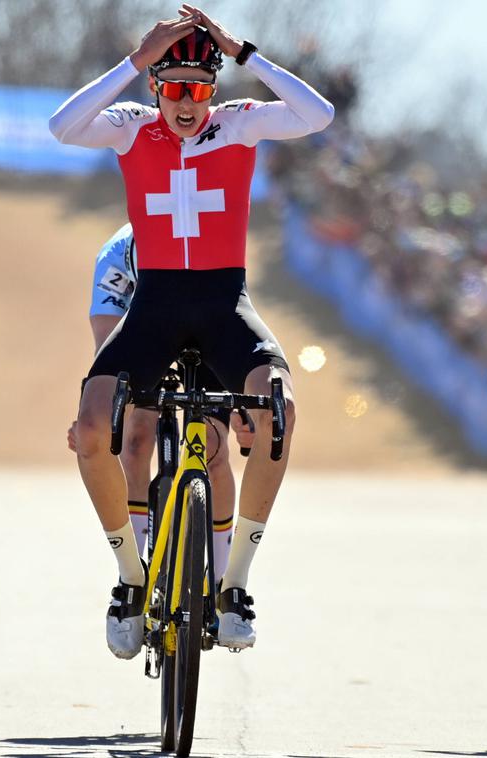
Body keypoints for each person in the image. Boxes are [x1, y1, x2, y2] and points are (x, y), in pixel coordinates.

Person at [48, 5, 333, 658]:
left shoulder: (238, 125)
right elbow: (63, 127)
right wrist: (135, 59)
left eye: (198, 90)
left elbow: (318, 115)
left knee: (280, 413)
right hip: (153, 310)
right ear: (155, 88)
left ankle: (234, 585)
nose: (185, 103)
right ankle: (128, 579)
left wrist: (243, 52)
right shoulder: (132, 130)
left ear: (214, 91)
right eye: (172, 87)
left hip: (223, 304)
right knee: (95, 427)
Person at [66, 224, 250, 583]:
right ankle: (132, 577)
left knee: (213, 447)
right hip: (141, 333)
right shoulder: (115, 259)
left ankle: (223, 581)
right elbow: (107, 358)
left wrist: (245, 412)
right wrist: (97, 417)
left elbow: (235, 339)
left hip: (204, 327)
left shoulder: (203, 241)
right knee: (134, 438)